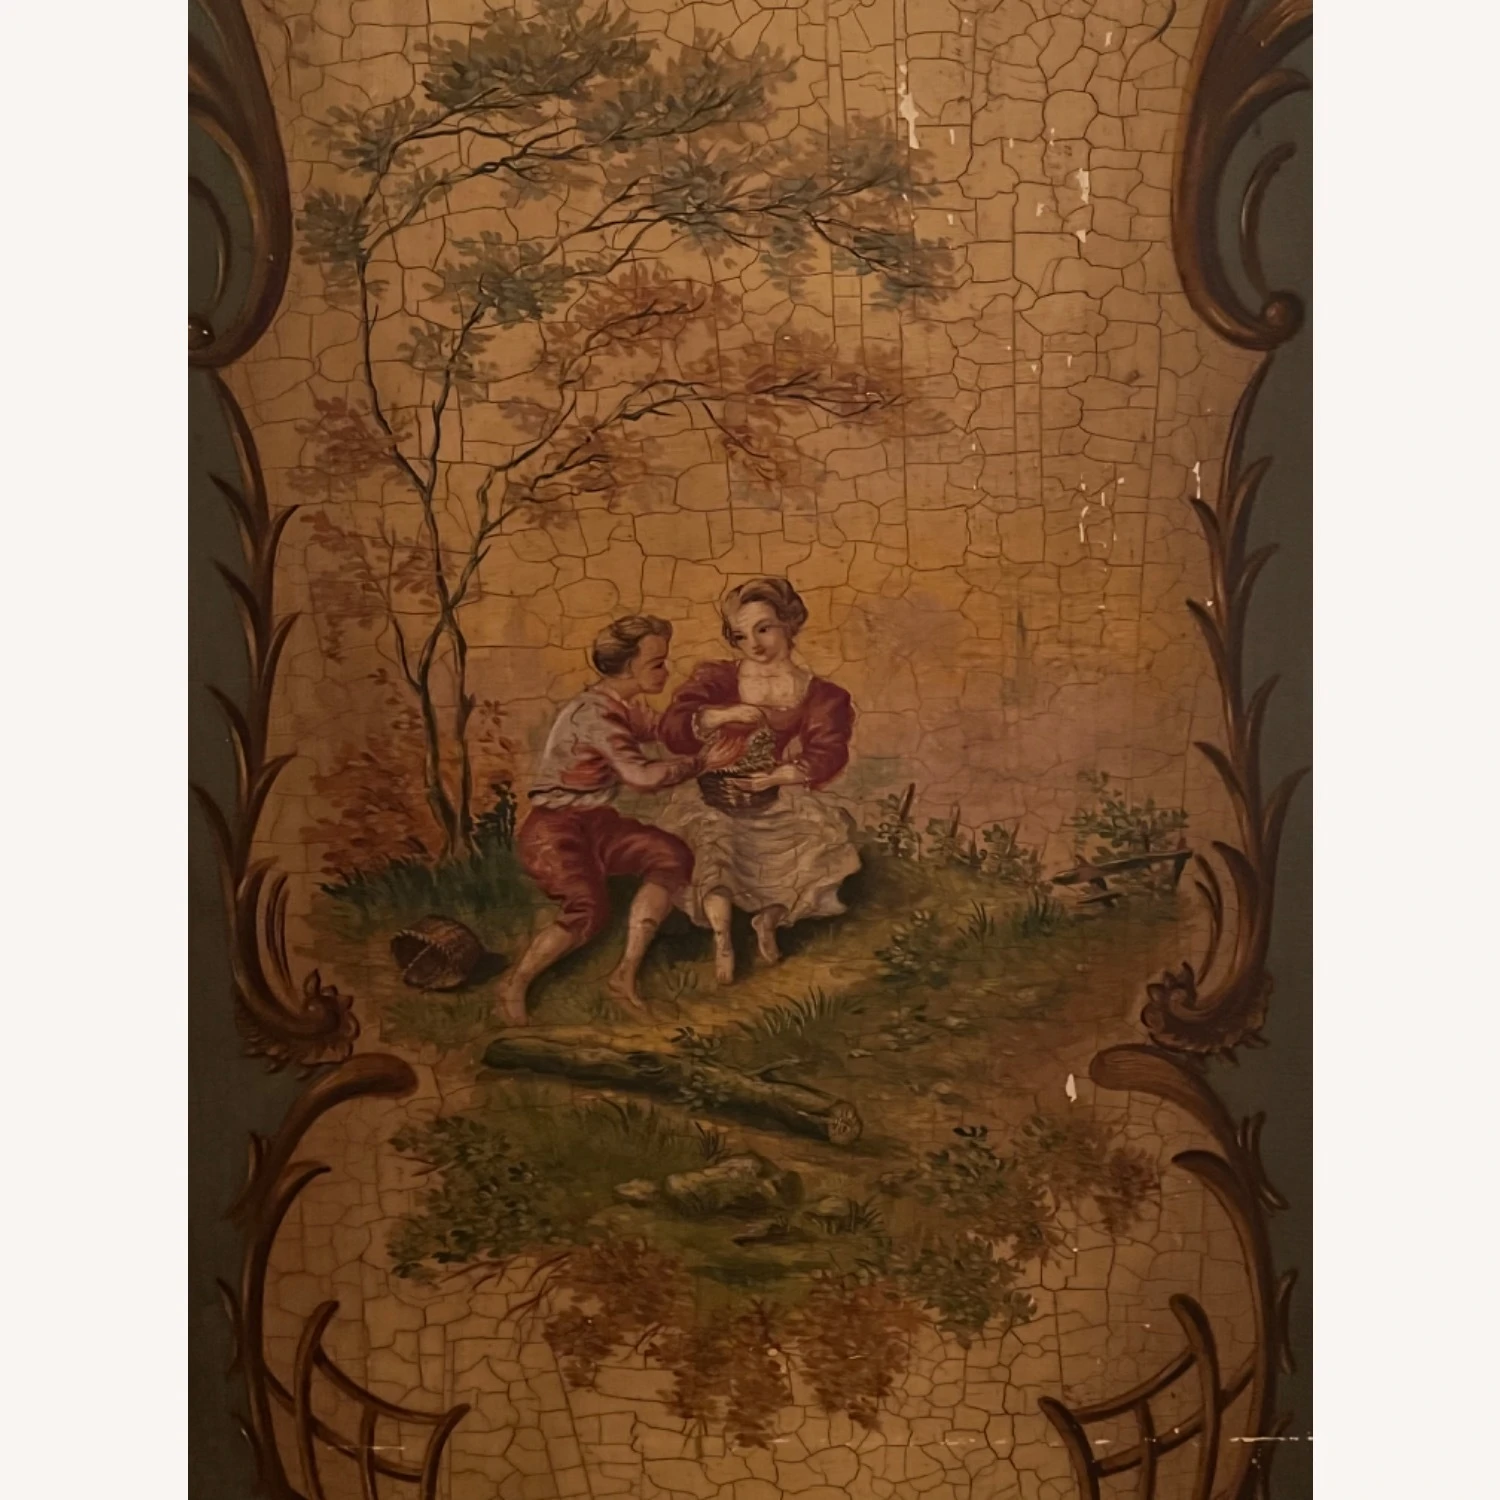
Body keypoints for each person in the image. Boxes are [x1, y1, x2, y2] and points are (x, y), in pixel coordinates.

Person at [496, 615, 710, 1026]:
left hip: (595, 821)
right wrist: (700, 762)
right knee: (588, 909)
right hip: (554, 830)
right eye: (657, 663)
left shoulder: (619, 706)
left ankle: (624, 974)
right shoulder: (593, 716)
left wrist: (712, 724)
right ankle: (516, 982)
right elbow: (641, 776)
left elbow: (660, 729)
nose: (666, 671)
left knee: (671, 856)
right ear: (628, 667)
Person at [658, 577, 861, 984]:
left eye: (764, 628)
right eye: (741, 635)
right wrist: (724, 714)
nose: (754, 643)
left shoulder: (821, 694)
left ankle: (768, 921)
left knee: (808, 852)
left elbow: (828, 752)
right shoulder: (718, 678)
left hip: (771, 793)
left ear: (789, 623)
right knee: (715, 853)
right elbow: (673, 728)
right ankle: (722, 942)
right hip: (713, 795)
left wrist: (775, 777)